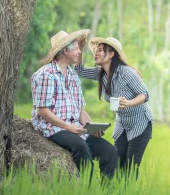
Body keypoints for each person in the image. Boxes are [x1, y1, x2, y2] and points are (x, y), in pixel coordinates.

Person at [30, 29, 118, 181]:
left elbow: (79, 111)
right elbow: (42, 111)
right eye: (76, 48)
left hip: (74, 128)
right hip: (53, 128)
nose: (79, 52)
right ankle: (87, 192)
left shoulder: (72, 76)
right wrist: (68, 127)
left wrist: (91, 127)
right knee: (81, 147)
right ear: (65, 50)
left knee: (109, 151)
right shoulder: (46, 75)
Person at [74, 37, 154, 179]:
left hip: (140, 122)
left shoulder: (126, 73)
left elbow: (145, 95)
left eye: (100, 50)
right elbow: (79, 71)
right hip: (122, 123)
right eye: (95, 50)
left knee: (130, 167)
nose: (96, 53)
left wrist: (128, 103)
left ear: (111, 54)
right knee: (116, 163)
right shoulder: (101, 74)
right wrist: (79, 48)